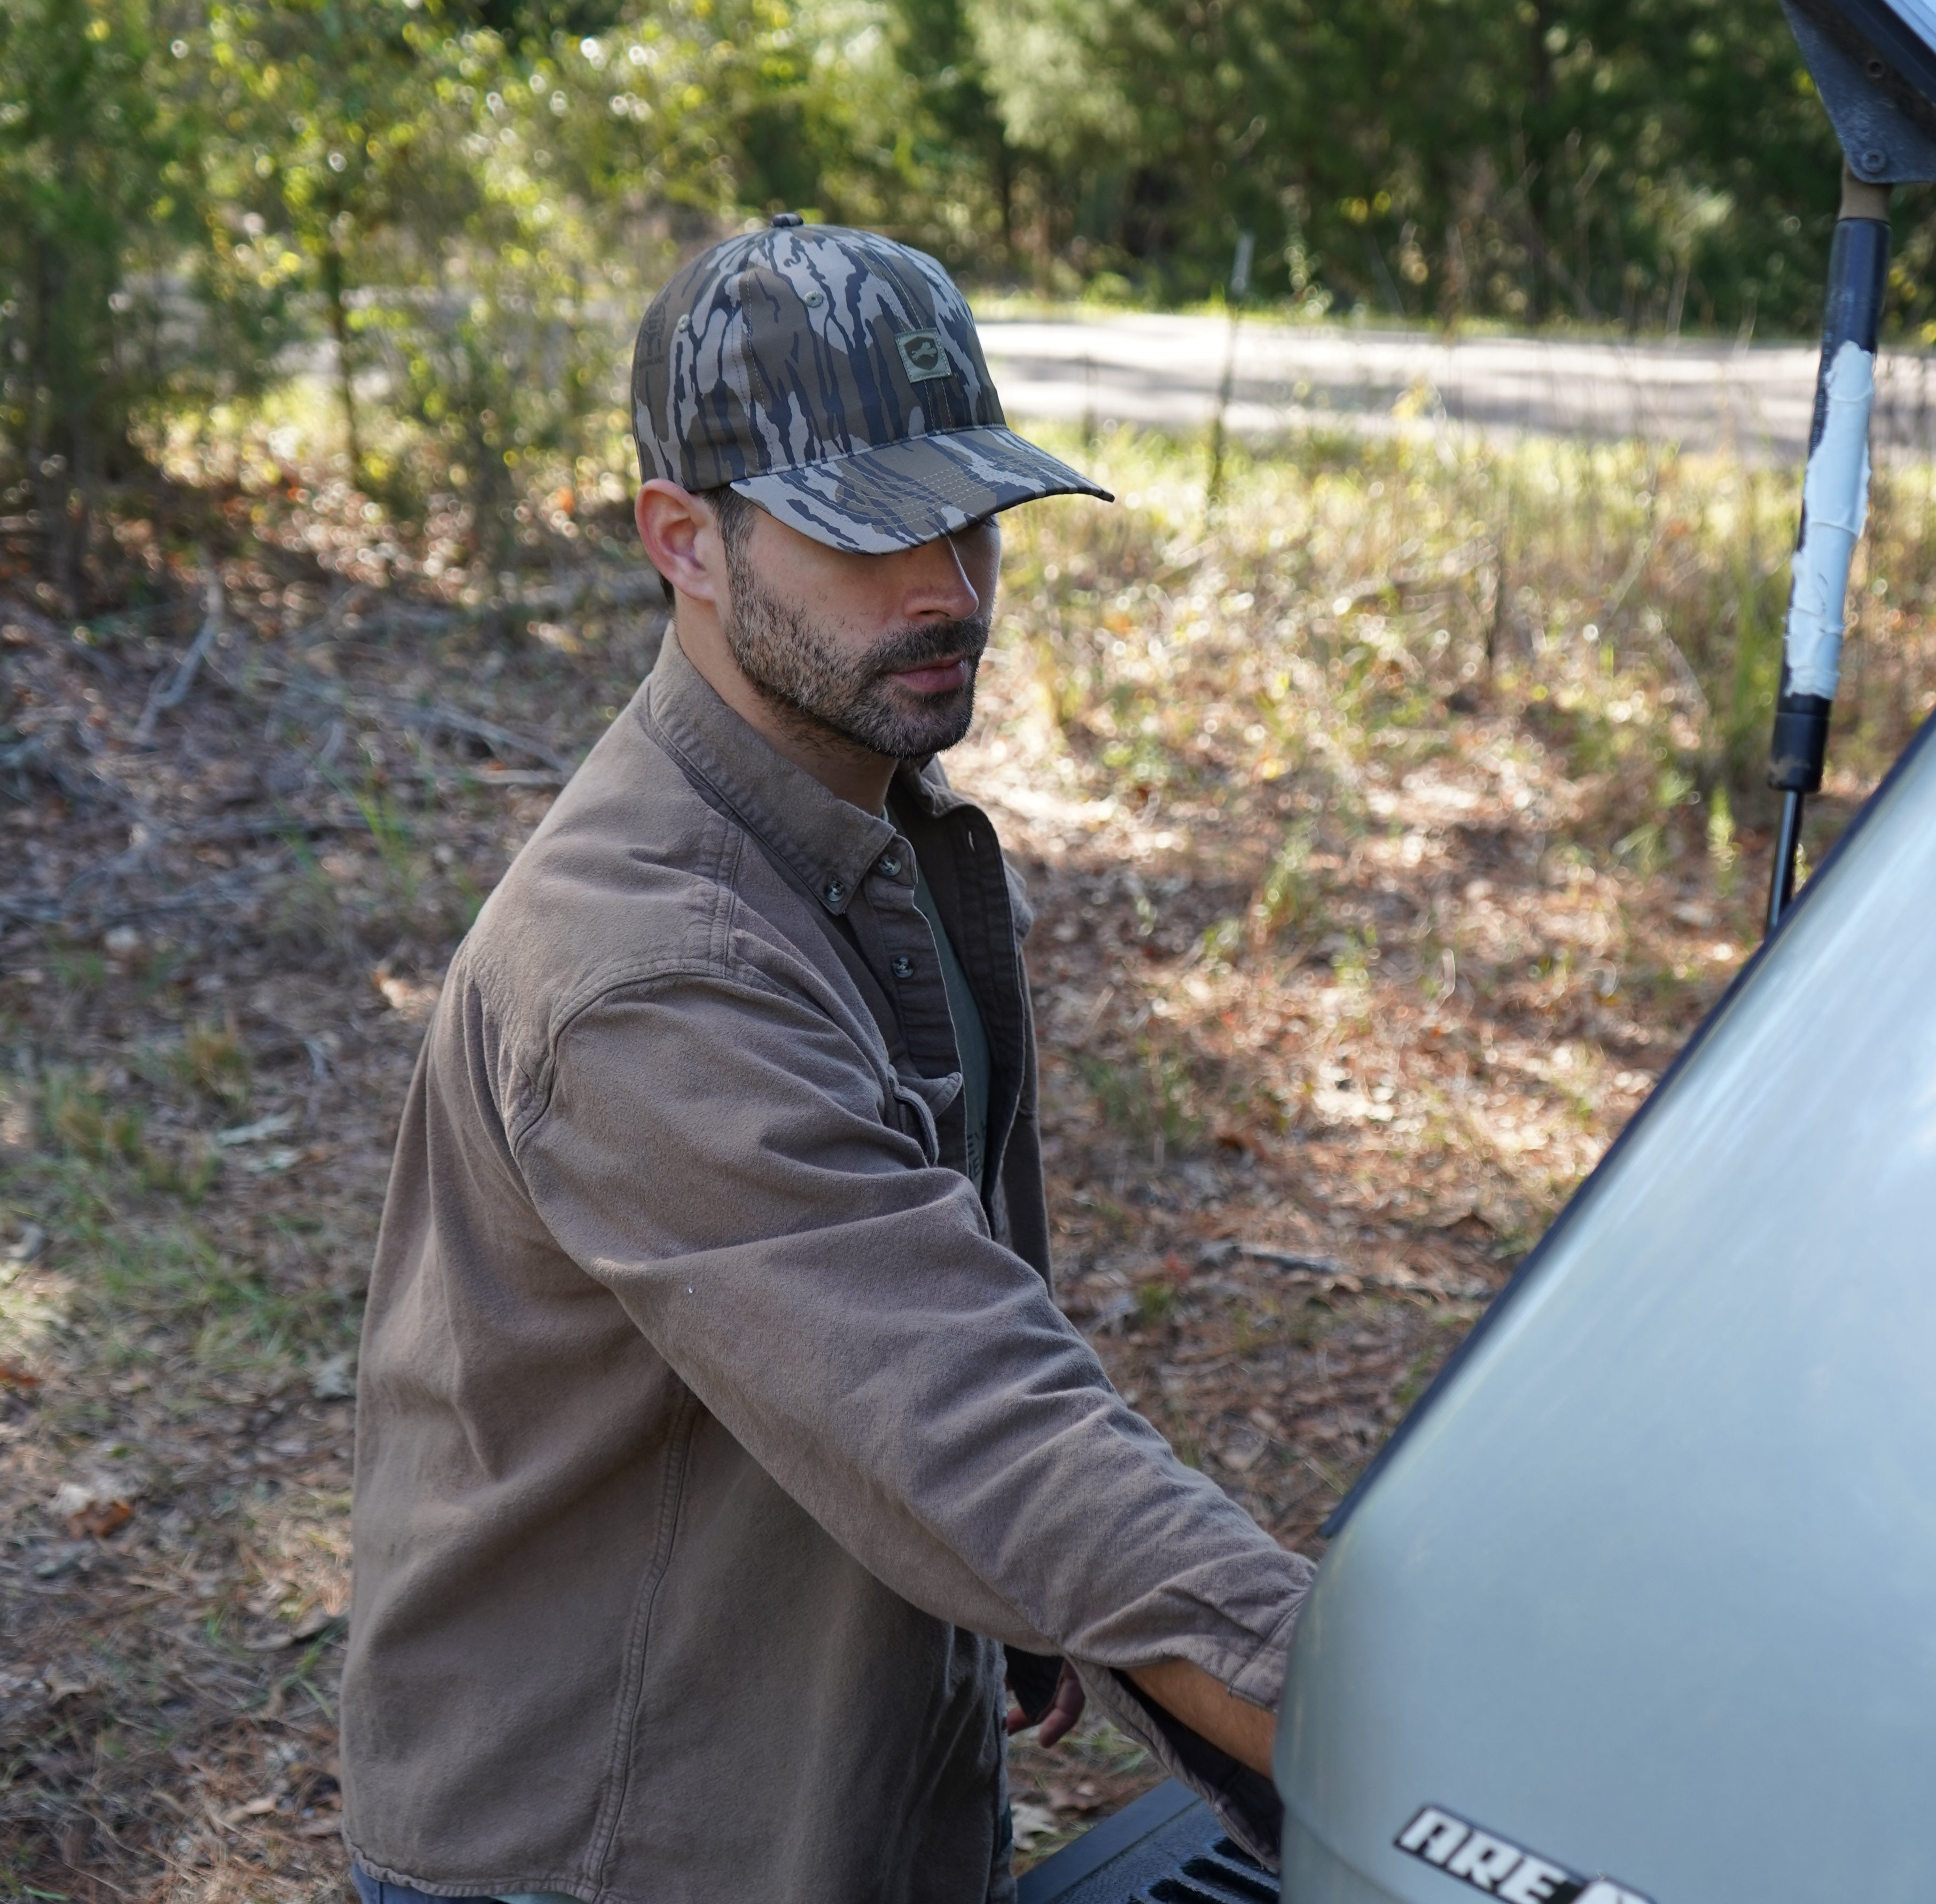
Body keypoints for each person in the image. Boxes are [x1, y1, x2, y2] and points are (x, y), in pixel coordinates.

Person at [341, 216, 1316, 1904]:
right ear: (684, 540)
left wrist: (1002, 1602)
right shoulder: (651, 971)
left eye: (974, 518)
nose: (951, 590)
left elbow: (931, 1332)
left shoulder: (858, 826)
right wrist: (1409, 1736)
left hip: (815, 1784)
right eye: (870, 534)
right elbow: (971, 1422)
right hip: (611, 1852)